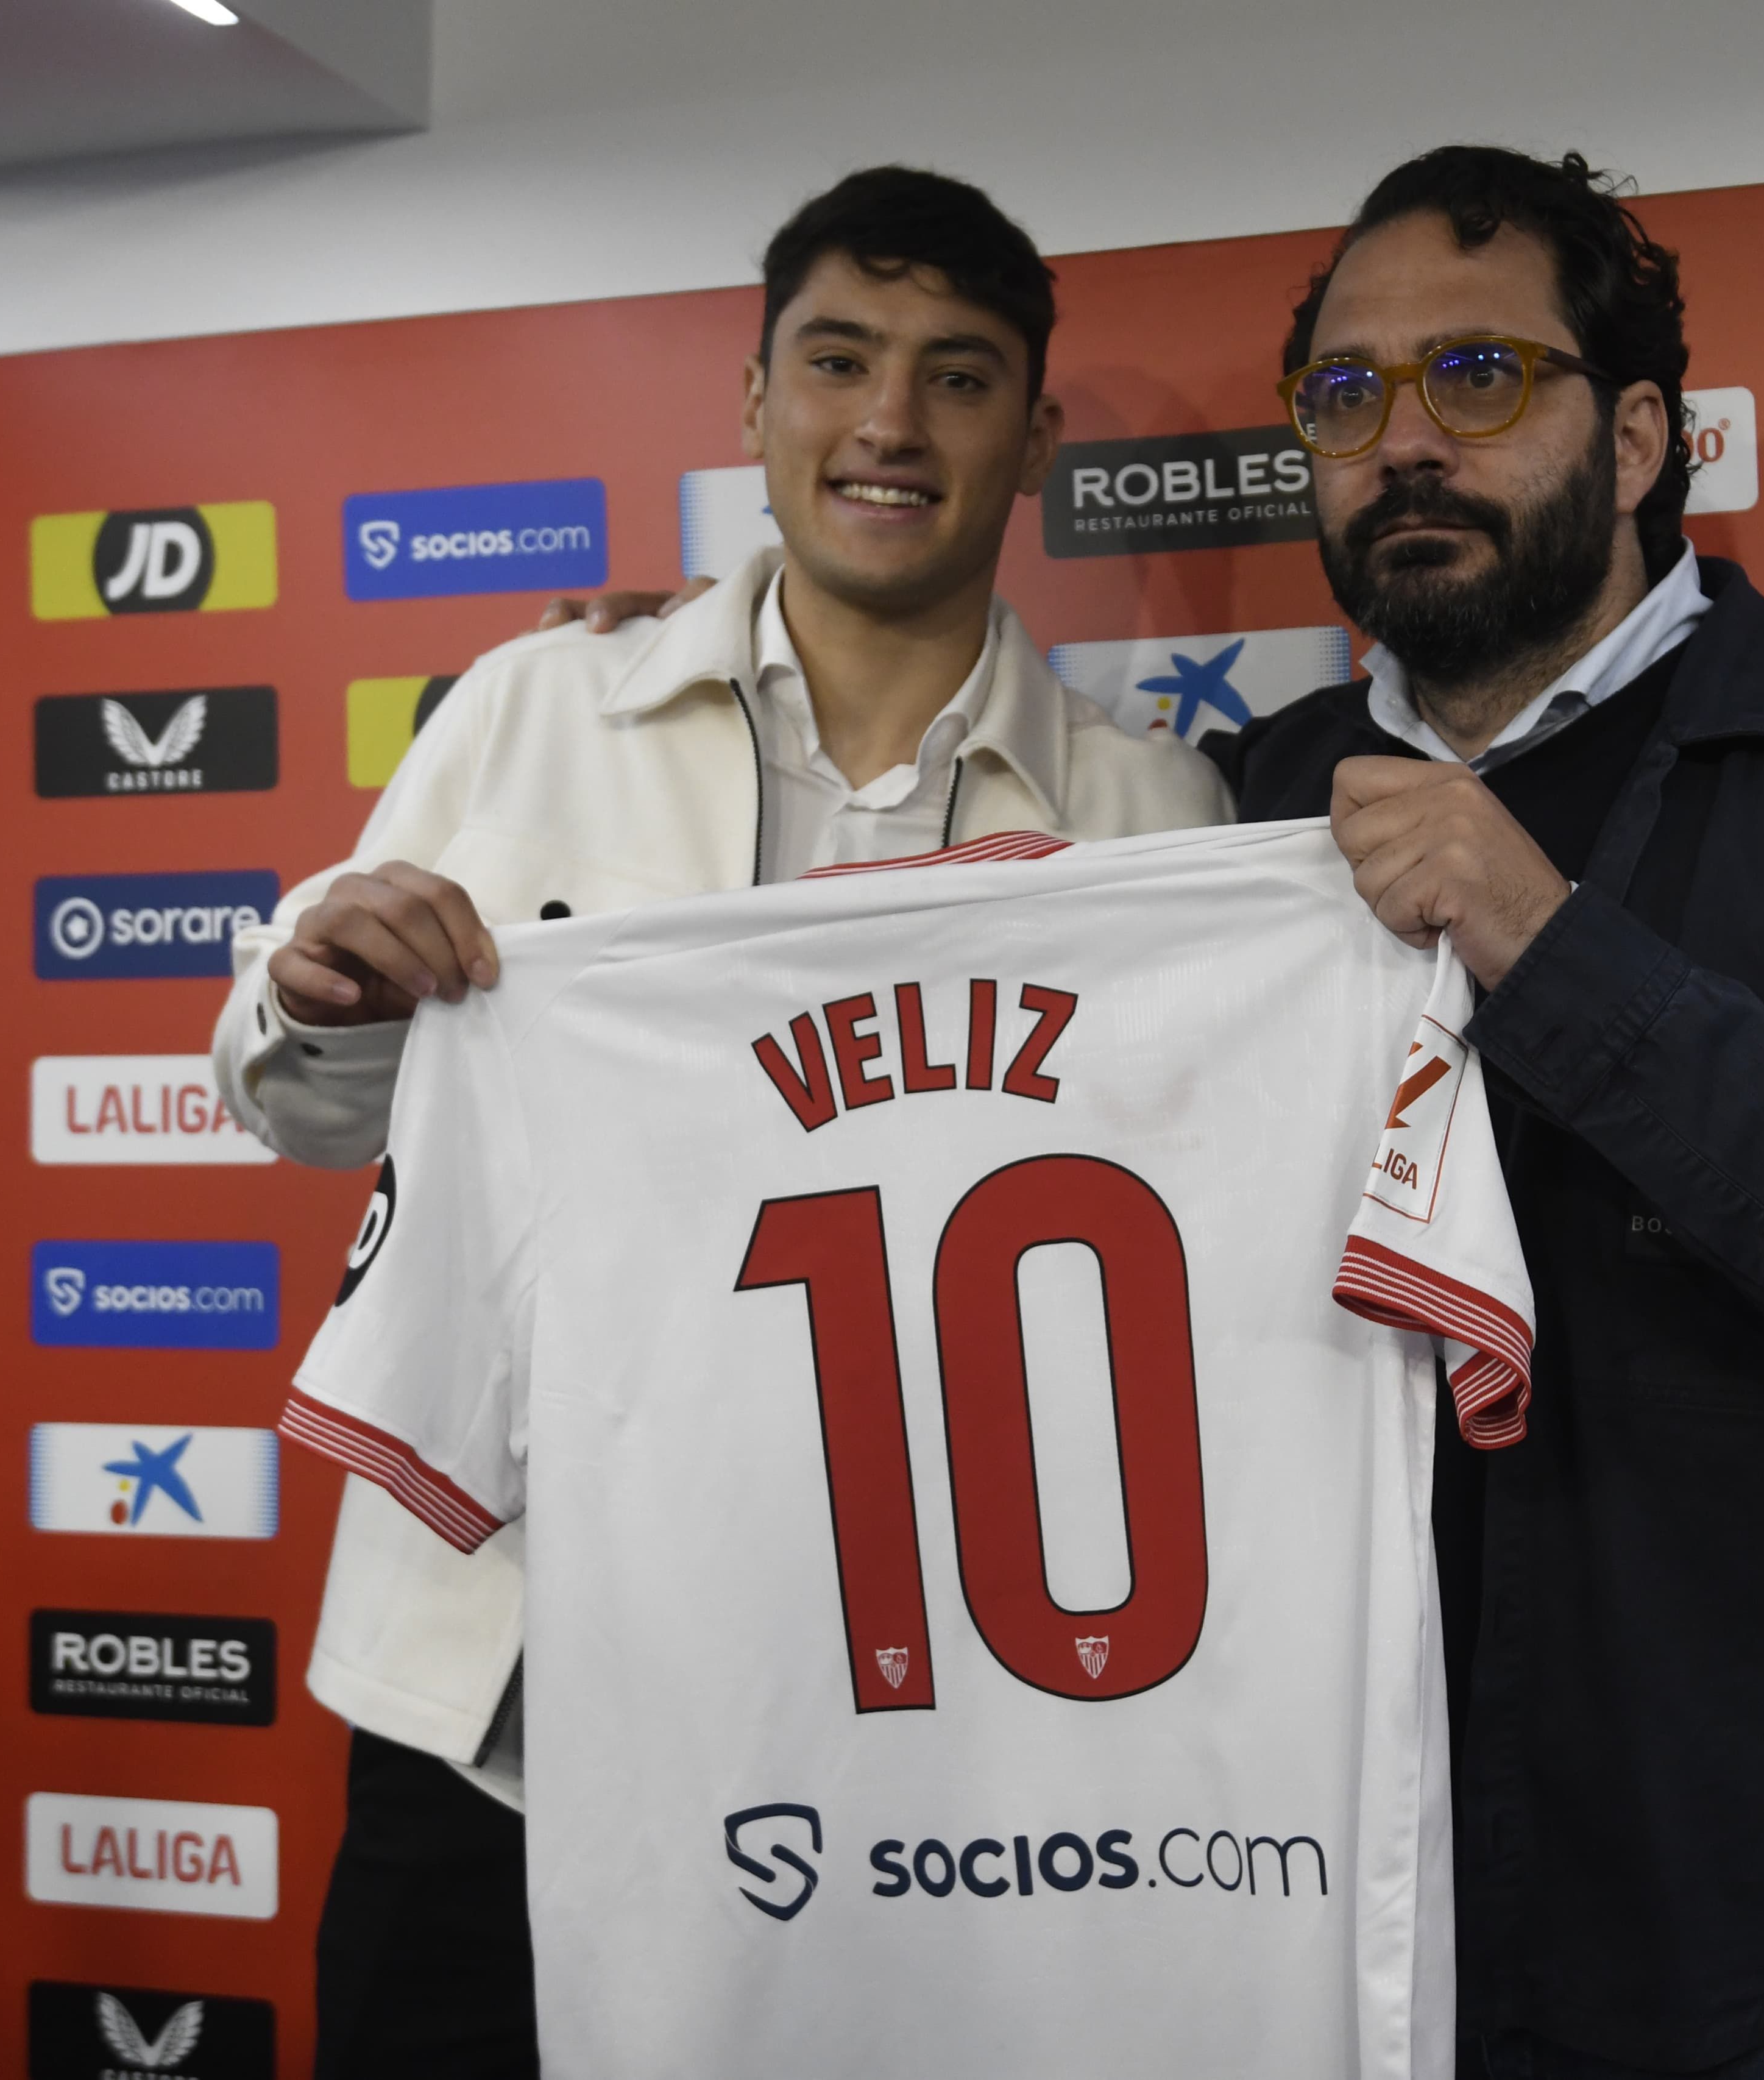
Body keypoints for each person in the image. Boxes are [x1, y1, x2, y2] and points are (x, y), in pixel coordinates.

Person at [210, 165, 1228, 2076]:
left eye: (958, 376)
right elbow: (309, 1110)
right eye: (837, 362)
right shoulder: (528, 709)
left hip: (953, 1747)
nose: (889, 426)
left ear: (1036, 437)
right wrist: (321, 989)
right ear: (754, 402)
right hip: (500, 1720)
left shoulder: (1157, 814)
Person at [1205, 147, 1764, 2078]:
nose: (1402, 448)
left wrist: (1551, 941)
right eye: (1347, 398)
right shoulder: (1233, 811)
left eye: (1477, 378)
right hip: (1316, 1933)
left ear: (1633, 440)